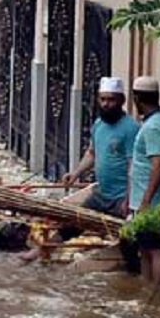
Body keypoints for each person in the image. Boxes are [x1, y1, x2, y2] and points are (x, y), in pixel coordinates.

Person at [127, 75, 160, 287]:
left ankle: (156, 293)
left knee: (155, 250)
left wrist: (146, 201)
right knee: (146, 249)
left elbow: (159, 164)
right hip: (151, 200)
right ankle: (147, 289)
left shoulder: (154, 127)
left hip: (153, 202)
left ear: (137, 99)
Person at [60, 76, 138, 217]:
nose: (106, 104)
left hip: (120, 198)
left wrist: (129, 199)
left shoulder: (131, 128)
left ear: (122, 101)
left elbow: (133, 166)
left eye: (111, 100)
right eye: (102, 99)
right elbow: (91, 153)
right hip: (101, 195)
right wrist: (75, 174)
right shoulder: (98, 125)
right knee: (74, 222)